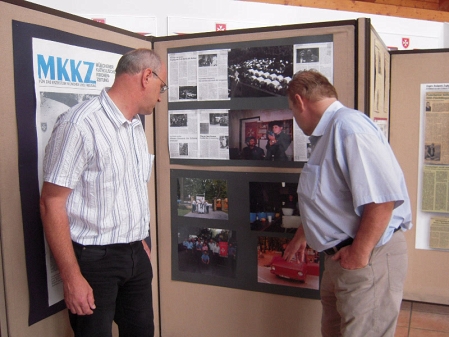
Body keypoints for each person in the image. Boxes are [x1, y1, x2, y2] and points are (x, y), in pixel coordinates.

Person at [39, 48, 168, 337]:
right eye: (162, 86)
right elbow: (51, 203)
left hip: (135, 255)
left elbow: (128, 189)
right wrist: (71, 277)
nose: (161, 96)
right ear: (147, 76)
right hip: (95, 263)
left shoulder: (135, 126)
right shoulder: (79, 124)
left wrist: (138, 240)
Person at [283, 70, 412, 337]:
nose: (294, 119)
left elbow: (383, 199)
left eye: (292, 111)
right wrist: (304, 233)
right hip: (341, 259)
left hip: (367, 257)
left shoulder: (349, 127)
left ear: (299, 100)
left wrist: (359, 253)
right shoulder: (328, 134)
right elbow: (333, 197)